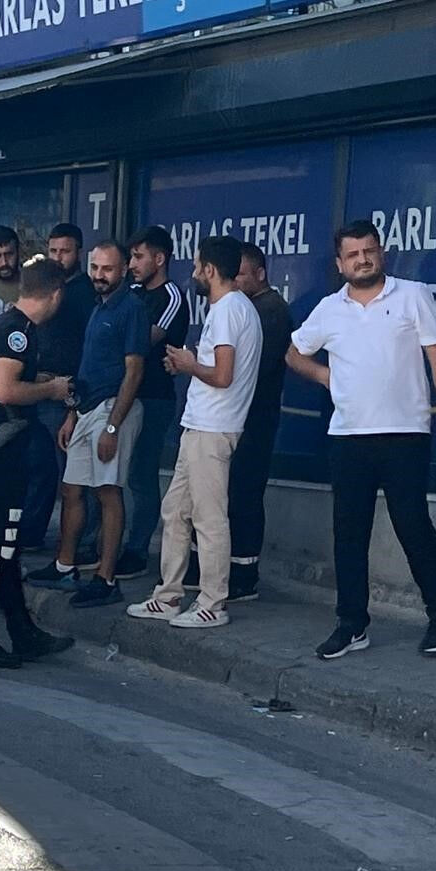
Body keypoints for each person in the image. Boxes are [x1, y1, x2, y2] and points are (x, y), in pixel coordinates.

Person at [286, 219, 436, 659]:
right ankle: (352, 624)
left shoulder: (412, 295)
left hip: (404, 434)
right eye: (353, 254)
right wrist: (327, 376)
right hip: (348, 437)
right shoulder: (329, 309)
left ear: (381, 253)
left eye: (369, 251)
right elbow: (293, 353)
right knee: (349, 534)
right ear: (340, 263)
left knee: (412, 525)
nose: (362, 259)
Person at [127, 234, 261, 629]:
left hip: (213, 428)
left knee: (209, 518)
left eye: (198, 265)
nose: (194, 273)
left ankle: (212, 602)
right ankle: (168, 595)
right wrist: (187, 364)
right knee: (176, 511)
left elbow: (222, 374)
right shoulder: (235, 307)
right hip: (200, 425)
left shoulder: (226, 310)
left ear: (211, 270)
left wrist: (188, 364)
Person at [0, 256, 76, 669]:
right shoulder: (17, 333)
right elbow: (6, 391)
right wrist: (51, 390)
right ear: (56, 293)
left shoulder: (14, 326)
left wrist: (38, 382)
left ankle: (22, 631)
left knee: (6, 548)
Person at [28, 241, 148, 609]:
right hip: (85, 408)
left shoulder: (132, 308)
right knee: (72, 488)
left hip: (113, 408)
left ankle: (105, 578)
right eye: (95, 267)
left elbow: (134, 370)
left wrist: (113, 426)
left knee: (108, 492)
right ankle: (66, 565)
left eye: (107, 269)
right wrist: (71, 412)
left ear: (124, 269)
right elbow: (87, 367)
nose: (99, 275)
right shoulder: (98, 309)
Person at [182, 243, 293, 601]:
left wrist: (197, 366)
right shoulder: (236, 306)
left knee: (242, 493)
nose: (235, 280)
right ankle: (202, 572)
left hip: (252, 417)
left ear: (261, 273)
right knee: (207, 500)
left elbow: (242, 369)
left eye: (242, 274)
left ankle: (242, 575)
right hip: (227, 414)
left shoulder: (269, 310)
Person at [118, 225, 189, 578]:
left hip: (153, 397)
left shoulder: (172, 296)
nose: (132, 263)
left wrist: (119, 336)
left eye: (139, 256)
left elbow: (141, 342)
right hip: (118, 395)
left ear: (159, 259)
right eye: (131, 256)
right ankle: (101, 544)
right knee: (109, 475)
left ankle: (137, 550)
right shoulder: (128, 292)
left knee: (141, 476)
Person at [21, 222, 97, 550]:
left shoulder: (84, 293)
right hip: (36, 387)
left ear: (79, 252)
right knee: (38, 469)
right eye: (52, 250)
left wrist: (75, 404)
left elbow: (88, 350)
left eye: (65, 251)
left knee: (74, 476)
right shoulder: (42, 286)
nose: (58, 256)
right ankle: (33, 535)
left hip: (67, 390)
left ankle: (79, 543)